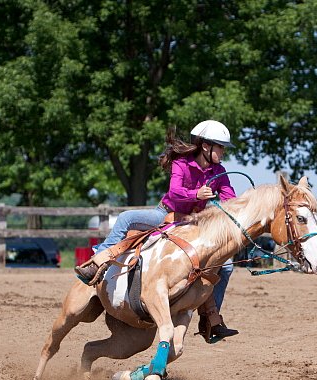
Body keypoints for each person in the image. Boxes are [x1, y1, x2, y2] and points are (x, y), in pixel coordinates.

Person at [75, 119, 239, 339]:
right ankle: (97, 262)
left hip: (193, 224)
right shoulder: (181, 162)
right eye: (221, 147)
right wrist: (196, 195)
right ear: (206, 146)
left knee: (226, 266)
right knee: (126, 218)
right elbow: (174, 193)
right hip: (165, 214)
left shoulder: (219, 171)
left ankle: (211, 319)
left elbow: (231, 199)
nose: (224, 152)